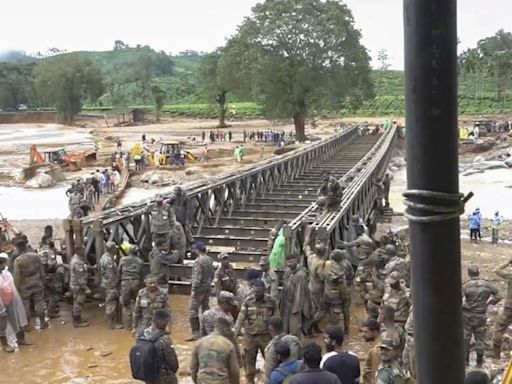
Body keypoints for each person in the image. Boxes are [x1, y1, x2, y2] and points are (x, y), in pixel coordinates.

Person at [235, 280, 279, 384]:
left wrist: (277, 336)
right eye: (255, 292)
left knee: (271, 361)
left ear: (264, 290)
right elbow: (240, 319)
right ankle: (250, 381)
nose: (256, 294)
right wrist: (234, 334)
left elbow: (277, 319)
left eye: (259, 292)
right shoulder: (248, 301)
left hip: (266, 336)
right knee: (249, 363)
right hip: (250, 337)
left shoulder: (272, 301)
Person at [462, 265, 500, 366]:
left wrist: (465, 306)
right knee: (480, 338)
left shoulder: (466, 285)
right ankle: (479, 362)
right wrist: (490, 303)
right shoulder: (487, 285)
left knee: (466, 337)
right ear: (478, 272)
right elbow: (499, 295)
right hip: (481, 315)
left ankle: (466, 362)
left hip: (468, 316)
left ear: (469, 273)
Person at [191, 317, 240, 384]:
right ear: (225, 329)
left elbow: (193, 368)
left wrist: (196, 381)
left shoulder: (199, 343)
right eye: (229, 331)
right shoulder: (228, 345)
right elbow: (234, 372)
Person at [312, 248, 350, 336]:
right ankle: (339, 333)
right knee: (336, 316)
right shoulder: (341, 267)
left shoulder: (326, 264)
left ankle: (311, 325)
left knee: (322, 312)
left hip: (326, 293)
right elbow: (340, 282)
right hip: (336, 295)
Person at [135, 309, 179, 384]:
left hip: (148, 375)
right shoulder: (164, 339)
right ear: (164, 323)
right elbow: (173, 363)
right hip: (163, 377)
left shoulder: (141, 334)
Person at [13, 239, 47, 330]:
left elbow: (17, 277)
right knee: (40, 302)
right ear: (26, 245)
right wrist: (43, 282)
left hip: (25, 285)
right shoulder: (36, 256)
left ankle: (27, 325)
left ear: (17, 248)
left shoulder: (18, 261)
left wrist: (17, 289)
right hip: (37, 282)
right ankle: (43, 322)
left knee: (25, 305)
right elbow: (42, 271)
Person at [0, 253, 29, 352]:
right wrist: (1, 309)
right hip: (1, 304)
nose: (4, 266)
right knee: (2, 325)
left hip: (11, 301)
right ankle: (4, 345)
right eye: (2, 264)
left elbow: (12, 286)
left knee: (16, 320)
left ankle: (20, 339)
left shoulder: (5, 274)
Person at [280, 253, 312, 337]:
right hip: (286, 304)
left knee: (294, 330)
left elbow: (300, 293)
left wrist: (296, 309)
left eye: (291, 262)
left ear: (297, 261)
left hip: (295, 306)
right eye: (288, 262)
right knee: (284, 328)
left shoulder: (301, 274)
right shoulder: (288, 271)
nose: (289, 264)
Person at [187, 242, 214, 341]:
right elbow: (212, 274)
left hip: (199, 289)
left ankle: (196, 333)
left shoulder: (198, 261)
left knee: (193, 310)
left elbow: (197, 277)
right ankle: (207, 331)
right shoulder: (209, 259)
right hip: (207, 287)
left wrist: (194, 289)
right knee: (205, 309)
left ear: (198, 250)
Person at [264, 316, 303, 382]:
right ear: (283, 327)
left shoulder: (271, 348)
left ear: (270, 329)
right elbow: (301, 357)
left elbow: (269, 373)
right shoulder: (294, 340)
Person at [303, 226, 326, 335]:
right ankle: (310, 325)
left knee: (314, 307)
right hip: (318, 288)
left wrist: (309, 233)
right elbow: (322, 277)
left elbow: (305, 246)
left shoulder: (311, 257)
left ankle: (315, 328)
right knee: (322, 309)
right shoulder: (320, 263)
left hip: (310, 285)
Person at [118, 245, 144, 330]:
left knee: (125, 304)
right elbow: (141, 273)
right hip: (135, 282)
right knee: (136, 303)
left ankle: (127, 326)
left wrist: (118, 282)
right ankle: (136, 325)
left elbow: (119, 271)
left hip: (125, 282)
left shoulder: (123, 260)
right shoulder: (139, 261)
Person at [99, 242, 122, 329]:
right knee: (111, 303)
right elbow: (111, 274)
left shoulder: (104, 257)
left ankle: (111, 320)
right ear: (112, 248)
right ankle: (111, 324)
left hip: (106, 283)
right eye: (115, 248)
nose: (116, 249)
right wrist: (115, 284)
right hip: (110, 284)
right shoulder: (108, 260)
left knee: (110, 302)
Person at [493, 258, 512, 359]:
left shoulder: (510, 276)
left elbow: (497, 270)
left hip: (509, 308)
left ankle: (496, 356)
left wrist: (508, 262)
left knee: (499, 329)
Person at [69, 246, 91, 327]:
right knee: (78, 302)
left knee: (77, 302)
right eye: (83, 250)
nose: (84, 251)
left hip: (74, 285)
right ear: (79, 251)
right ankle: (77, 322)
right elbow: (80, 278)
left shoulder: (74, 259)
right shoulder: (78, 262)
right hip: (78, 286)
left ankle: (78, 318)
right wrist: (87, 289)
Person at [361, 318, 382, 384]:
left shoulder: (375, 350)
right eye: (362, 331)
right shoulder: (381, 343)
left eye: (366, 332)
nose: (363, 335)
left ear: (375, 332)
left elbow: (376, 373)